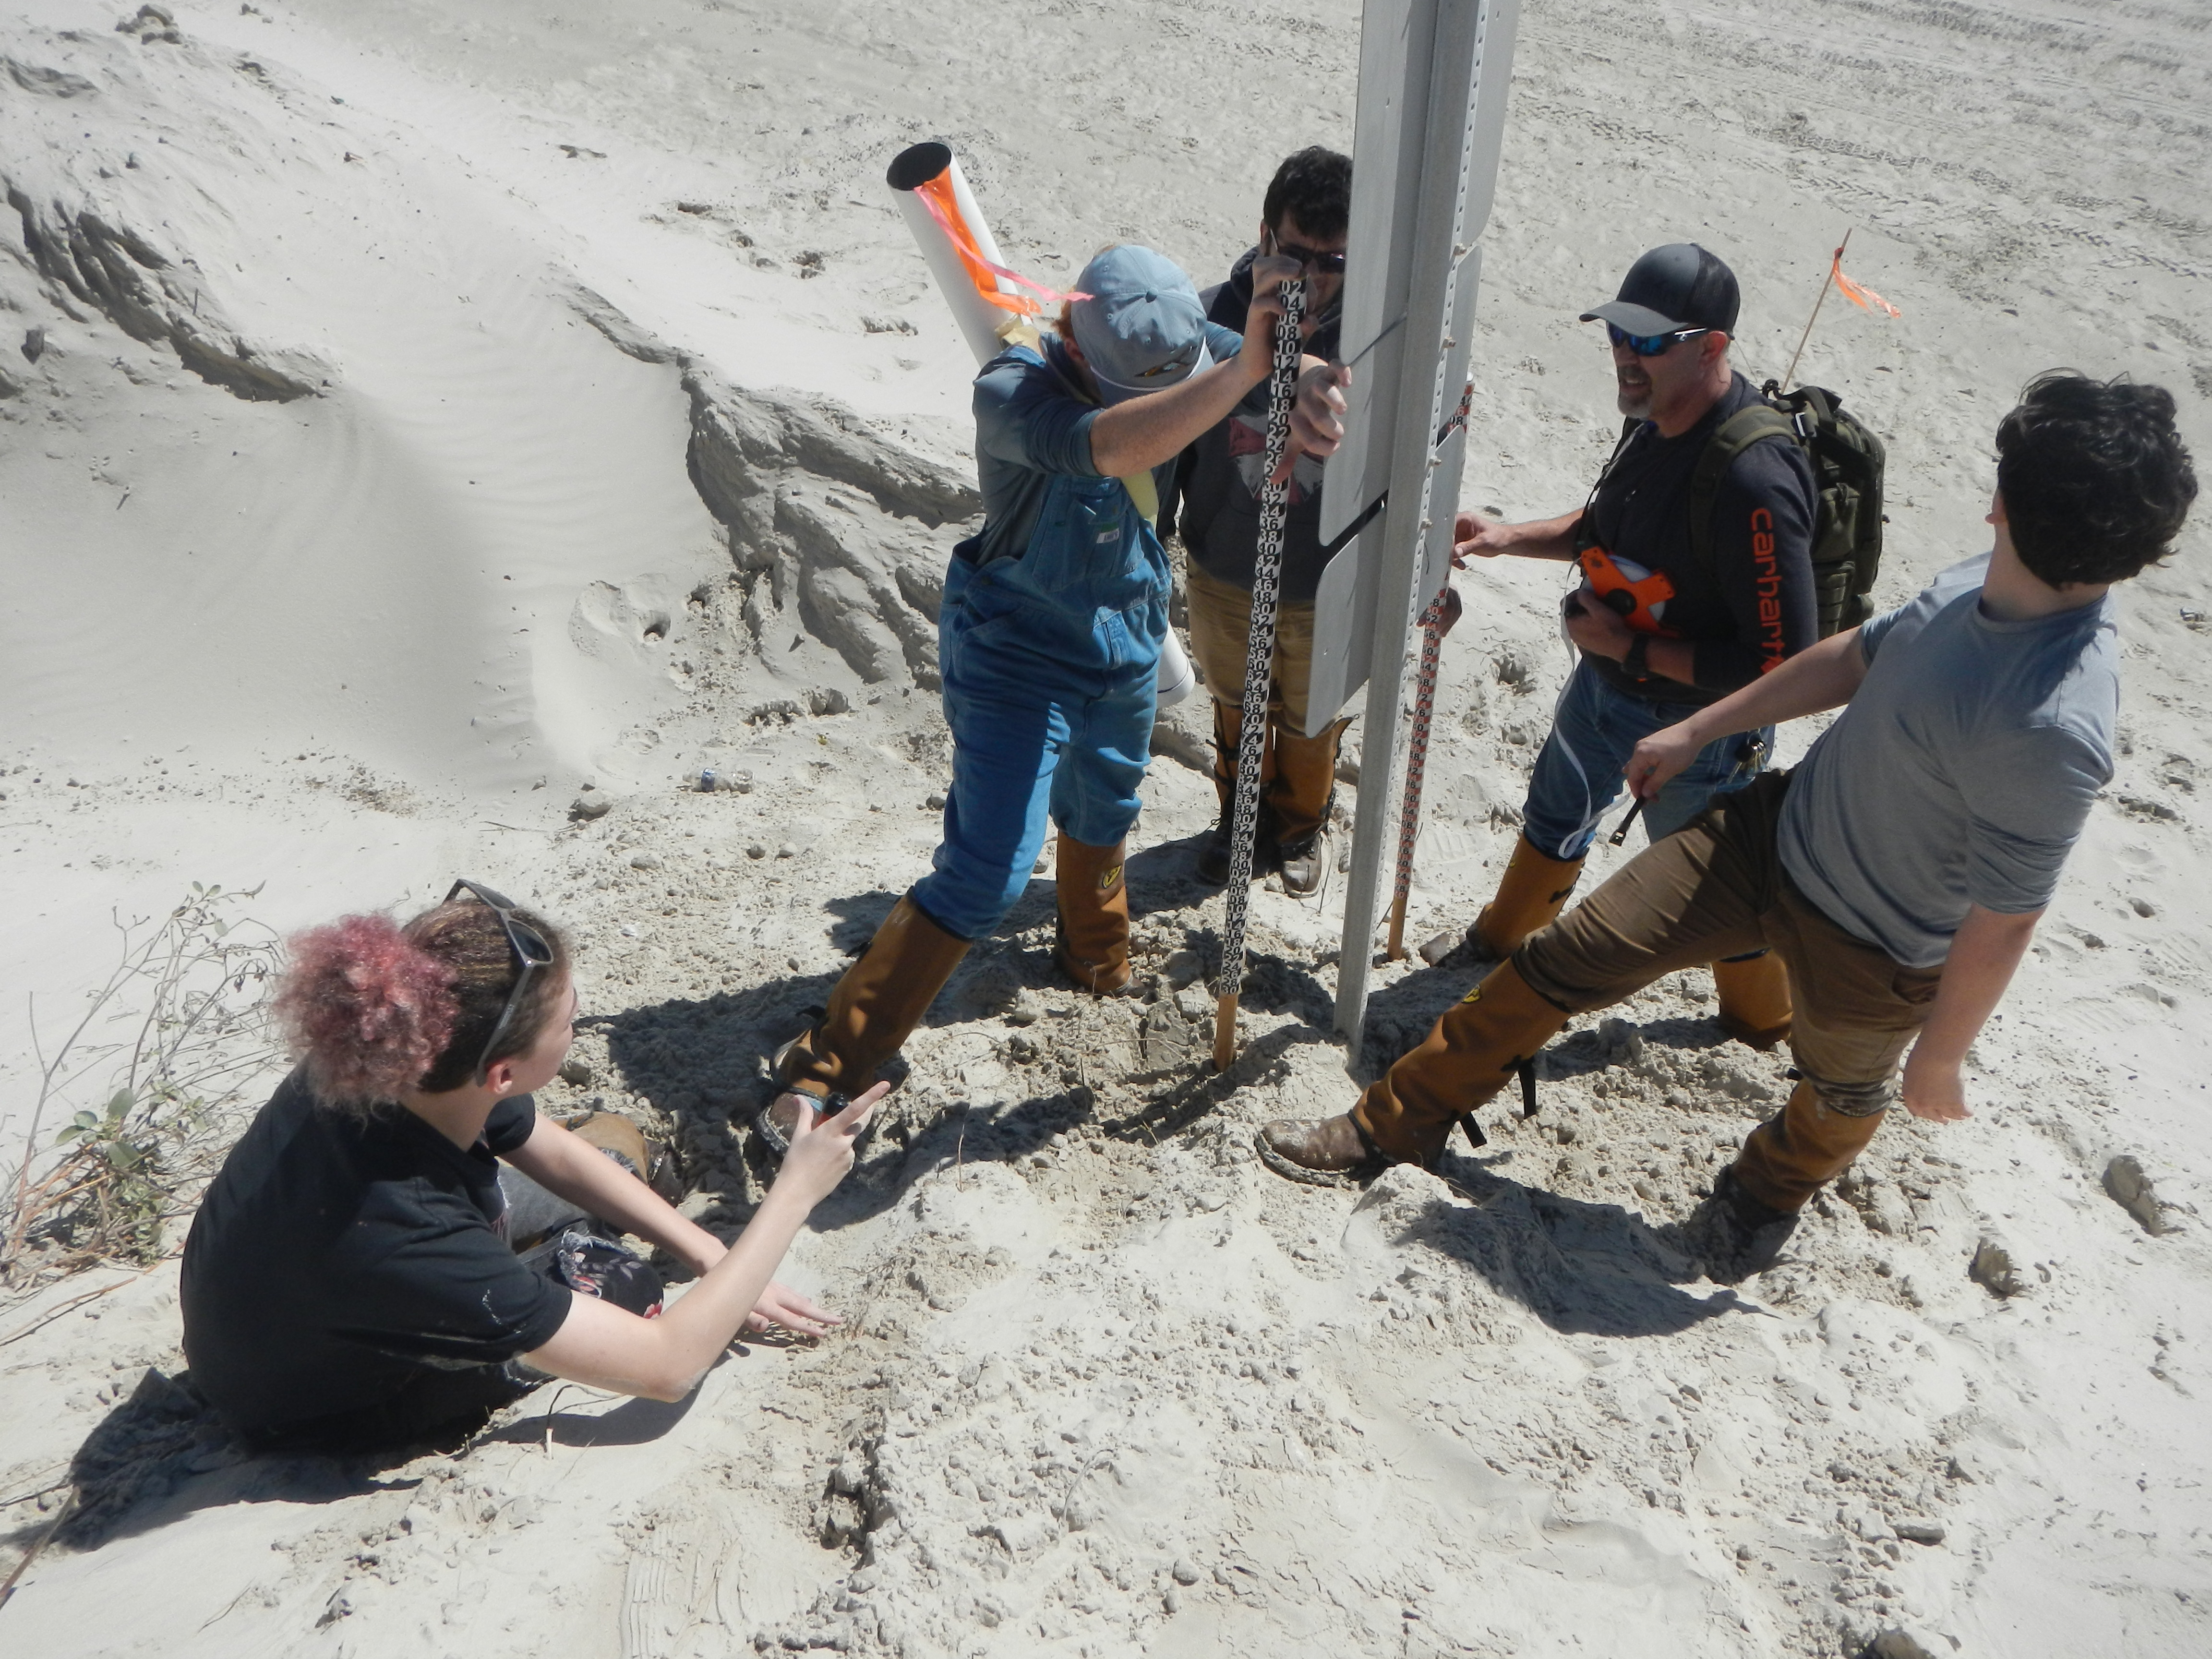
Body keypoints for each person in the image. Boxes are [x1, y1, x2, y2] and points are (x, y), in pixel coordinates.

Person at [1255, 372, 2195, 1277]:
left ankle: (1760, 1196)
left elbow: (2009, 915)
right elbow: (1858, 656)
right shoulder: (1984, 579)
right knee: (1562, 959)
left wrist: (1941, 1058)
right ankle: (1394, 1122)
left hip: (1881, 954)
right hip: (1768, 840)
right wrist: (1701, 726)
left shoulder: (2056, 723)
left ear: (2009, 506)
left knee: (1838, 1094)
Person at [759, 242, 1327, 1150]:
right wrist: (1247, 375)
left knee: (1108, 798)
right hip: (1017, 651)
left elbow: (1263, 365)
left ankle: (1094, 954)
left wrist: (1308, 380)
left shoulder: (1186, 346)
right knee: (989, 867)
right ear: (1080, 347)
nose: (1158, 395)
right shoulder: (1014, 392)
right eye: (1137, 385)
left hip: (1126, 631)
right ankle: (828, 1059)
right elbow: (1113, 445)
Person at [180, 881, 882, 1451]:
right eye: (570, 1020)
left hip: (298, 1287)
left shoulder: (389, 1051)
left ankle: (549, 1255)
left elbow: (547, 1147)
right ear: (503, 1071)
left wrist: (706, 1251)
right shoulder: (407, 1225)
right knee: (621, 1282)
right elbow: (667, 1368)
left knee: (613, 1145)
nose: (578, 1024)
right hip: (326, 1402)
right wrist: (794, 1191)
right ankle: (542, 1278)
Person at [1447, 243, 1819, 1047]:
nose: (1625, 355)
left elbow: (1785, 664)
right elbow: (1602, 528)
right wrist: (1509, 537)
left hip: (1700, 739)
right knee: (1554, 816)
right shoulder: (1653, 421)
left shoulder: (1757, 479)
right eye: (1618, 334)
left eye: (1649, 342)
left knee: (1724, 897)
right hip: (1605, 689)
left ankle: (1765, 1023)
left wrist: (1636, 653)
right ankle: (1497, 944)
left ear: (1712, 348)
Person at [1176, 146, 1353, 896]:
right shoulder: (1214, 313)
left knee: (1311, 712)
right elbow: (1173, 436)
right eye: (1294, 254)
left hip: (1324, 576)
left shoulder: (1376, 340)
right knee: (1235, 700)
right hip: (1223, 560)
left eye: (1333, 261)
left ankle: (1302, 823)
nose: (1310, 279)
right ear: (1265, 236)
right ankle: (1237, 819)